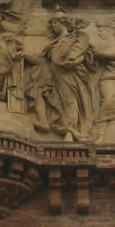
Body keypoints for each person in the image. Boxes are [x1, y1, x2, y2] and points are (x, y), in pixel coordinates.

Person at [41, 8, 95, 140]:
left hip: (72, 74)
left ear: (63, 23)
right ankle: (68, 128)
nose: (53, 26)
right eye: (52, 23)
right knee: (61, 101)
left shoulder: (77, 38)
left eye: (55, 23)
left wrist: (75, 61)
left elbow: (85, 53)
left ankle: (70, 131)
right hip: (56, 76)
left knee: (71, 100)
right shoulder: (54, 43)